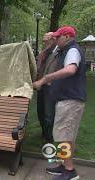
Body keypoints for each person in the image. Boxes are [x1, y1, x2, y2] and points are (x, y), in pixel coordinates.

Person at [33, 26, 86, 180]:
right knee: (66, 136)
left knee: (63, 136)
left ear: (67, 37)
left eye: (58, 37)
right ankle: (64, 165)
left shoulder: (72, 50)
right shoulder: (64, 50)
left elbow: (70, 70)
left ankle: (69, 171)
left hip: (70, 100)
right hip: (68, 99)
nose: (55, 39)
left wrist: (46, 78)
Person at [36, 32, 58, 143]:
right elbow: (38, 67)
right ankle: (44, 132)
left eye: (46, 40)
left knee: (49, 113)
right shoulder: (43, 52)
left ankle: (49, 139)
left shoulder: (58, 52)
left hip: (50, 86)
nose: (44, 43)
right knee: (40, 111)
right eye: (43, 41)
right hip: (40, 85)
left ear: (53, 40)